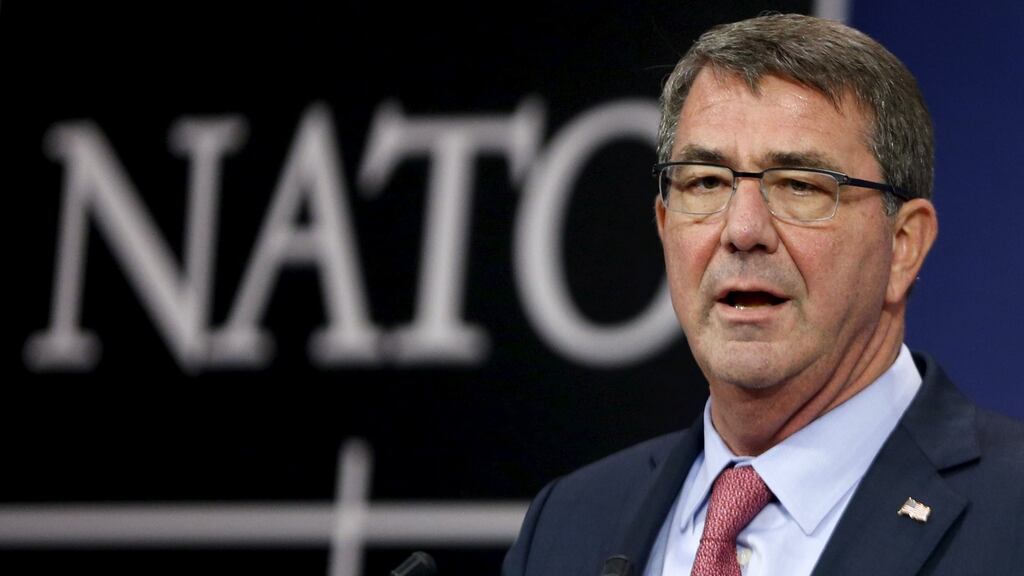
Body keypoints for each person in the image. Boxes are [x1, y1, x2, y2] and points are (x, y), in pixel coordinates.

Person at [503, 13, 1023, 576]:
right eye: (704, 182)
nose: (742, 229)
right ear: (663, 223)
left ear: (903, 245)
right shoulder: (565, 525)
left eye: (799, 185)